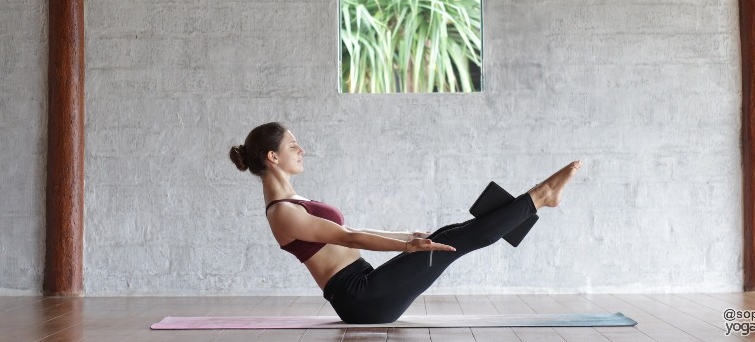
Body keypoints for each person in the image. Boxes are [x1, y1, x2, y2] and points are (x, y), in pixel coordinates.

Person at [229, 122, 582, 324]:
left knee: (443, 236)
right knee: (452, 243)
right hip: (360, 299)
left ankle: (533, 204)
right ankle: (541, 195)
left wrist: (409, 236)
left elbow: (352, 235)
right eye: (293, 145)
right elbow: (349, 237)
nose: (301, 149)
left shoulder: (295, 201)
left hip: (364, 286)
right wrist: (406, 246)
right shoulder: (282, 212)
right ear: (272, 157)